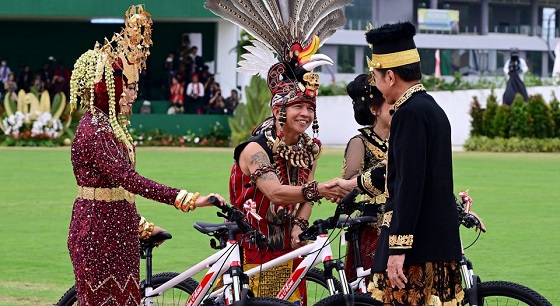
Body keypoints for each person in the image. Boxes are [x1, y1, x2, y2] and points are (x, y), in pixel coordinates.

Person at [66, 6, 226, 305]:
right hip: (97, 236)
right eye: (125, 87)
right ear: (104, 88)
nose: (132, 94)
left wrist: (139, 225)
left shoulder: (112, 128)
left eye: (133, 86)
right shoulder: (94, 131)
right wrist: (188, 198)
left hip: (119, 232)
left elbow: (116, 192)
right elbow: (128, 180)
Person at [205, 0, 352, 304]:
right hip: (251, 249)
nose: (305, 114)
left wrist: (299, 225)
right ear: (278, 110)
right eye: (298, 106)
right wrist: (321, 190)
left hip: (290, 249)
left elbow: (304, 198)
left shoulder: (310, 148)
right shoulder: (255, 149)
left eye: (309, 108)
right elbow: (274, 192)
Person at [365, 21, 464, 305]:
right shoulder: (432, 109)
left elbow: (409, 185)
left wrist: (397, 249)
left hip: (417, 250)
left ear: (391, 76)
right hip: (438, 243)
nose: (377, 86)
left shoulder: (408, 114)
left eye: (376, 77)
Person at [341, 74, 392, 283]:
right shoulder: (360, 142)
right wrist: (384, 170)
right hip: (371, 226)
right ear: (374, 109)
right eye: (390, 104)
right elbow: (348, 185)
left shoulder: (402, 139)